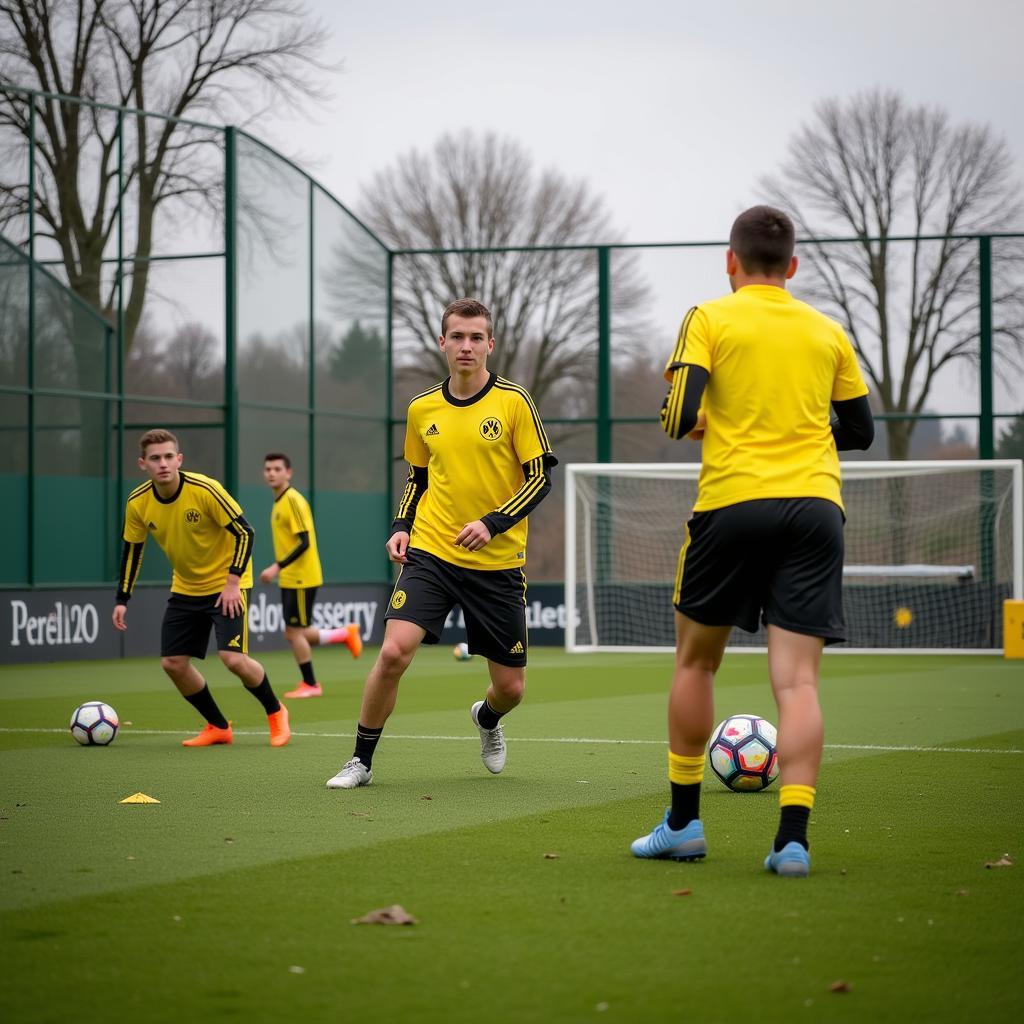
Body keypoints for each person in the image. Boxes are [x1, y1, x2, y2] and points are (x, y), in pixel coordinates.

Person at [631, 206, 874, 876]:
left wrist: (710, 420)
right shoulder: (828, 332)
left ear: (730, 263)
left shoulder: (710, 317)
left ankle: (683, 825)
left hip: (733, 504)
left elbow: (678, 416)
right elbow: (859, 432)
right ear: (792, 267)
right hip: (817, 508)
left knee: (695, 664)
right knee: (797, 682)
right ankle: (792, 841)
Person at [325, 298, 557, 789]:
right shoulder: (421, 407)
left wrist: (493, 523)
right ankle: (360, 761)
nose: (467, 346)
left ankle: (488, 719)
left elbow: (540, 480)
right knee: (392, 653)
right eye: (458, 337)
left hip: (496, 562)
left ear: (490, 344)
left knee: (511, 689)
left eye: (476, 338)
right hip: (432, 550)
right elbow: (417, 475)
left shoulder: (515, 402)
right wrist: (400, 524)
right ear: (442, 342)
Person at [112, 429, 291, 747]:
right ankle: (218, 726)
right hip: (186, 586)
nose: (163, 464)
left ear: (179, 459)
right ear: (143, 464)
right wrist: (122, 598)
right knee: (173, 663)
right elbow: (132, 550)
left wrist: (233, 582)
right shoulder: (138, 503)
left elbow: (245, 533)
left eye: (169, 457)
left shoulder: (205, 489)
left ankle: (276, 711)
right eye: (155, 458)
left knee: (233, 659)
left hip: (228, 583)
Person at [258, 452, 362, 699]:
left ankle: (311, 684)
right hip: (292, 577)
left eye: (277, 469)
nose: (271, 473)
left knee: (294, 633)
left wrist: (276, 566)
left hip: (301, 576)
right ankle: (344, 634)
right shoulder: (279, 501)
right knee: (295, 631)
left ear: (288, 473)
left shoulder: (293, 500)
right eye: (268, 469)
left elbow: (304, 542)